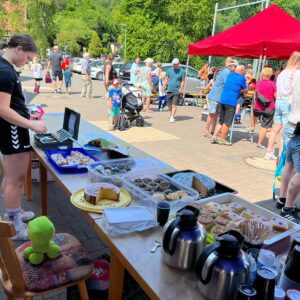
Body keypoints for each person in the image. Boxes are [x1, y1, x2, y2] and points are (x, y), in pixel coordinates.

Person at [0, 34, 47, 239]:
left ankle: (14, 211)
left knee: (11, 177)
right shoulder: (5, 72)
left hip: (12, 129)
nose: (27, 63)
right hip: (12, 131)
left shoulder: (5, 67)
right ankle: (15, 225)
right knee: (16, 180)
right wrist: (31, 124)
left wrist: (27, 114)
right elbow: (2, 109)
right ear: (18, 49)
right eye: (28, 58)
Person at [265, 52, 300, 160]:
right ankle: (282, 154)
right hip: (288, 101)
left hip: (279, 101)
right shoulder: (296, 72)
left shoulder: (283, 72)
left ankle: (269, 151)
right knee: (286, 130)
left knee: (275, 128)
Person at [277, 67, 300, 223]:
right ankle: (288, 208)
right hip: (298, 127)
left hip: (292, 124)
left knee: (289, 165)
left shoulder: (297, 76)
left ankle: (282, 199)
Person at [211, 65, 247, 146]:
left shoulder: (230, 74)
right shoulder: (242, 78)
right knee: (227, 122)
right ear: (241, 70)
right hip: (231, 101)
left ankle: (214, 136)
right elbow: (245, 90)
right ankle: (222, 139)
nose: (244, 72)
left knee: (221, 120)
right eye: (244, 70)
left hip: (223, 99)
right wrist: (242, 90)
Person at [204, 60, 238, 137]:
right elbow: (228, 84)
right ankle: (206, 131)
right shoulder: (226, 72)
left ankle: (212, 130)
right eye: (235, 67)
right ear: (231, 66)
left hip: (219, 97)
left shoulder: (227, 72)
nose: (236, 68)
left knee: (216, 115)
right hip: (215, 96)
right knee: (211, 114)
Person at [250, 67, 277, 149]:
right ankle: (259, 143)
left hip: (258, 107)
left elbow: (254, 91)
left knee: (253, 112)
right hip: (269, 108)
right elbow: (275, 96)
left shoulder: (258, 82)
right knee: (264, 126)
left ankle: (252, 126)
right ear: (271, 74)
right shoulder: (273, 84)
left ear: (263, 73)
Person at [166, 58, 185, 123]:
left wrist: (181, 89)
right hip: (169, 89)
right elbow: (166, 78)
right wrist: (164, 86)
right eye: (173, 64)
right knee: (169, 105)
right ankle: (171, 113)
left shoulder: (182, 71)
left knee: (174, 104)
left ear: (178, 64)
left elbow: (183, 81)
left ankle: (172, 116)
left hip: (177, 90)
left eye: (175, 64)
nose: (174, 65)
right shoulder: (169, 70)